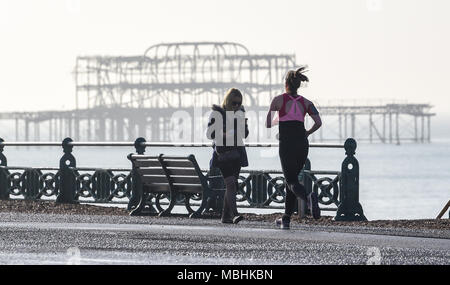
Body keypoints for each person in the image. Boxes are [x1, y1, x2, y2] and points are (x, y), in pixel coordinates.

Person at [266, 67, 322, 229]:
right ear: (298, 85)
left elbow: (268, 123)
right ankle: (286, 218)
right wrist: (307, 133)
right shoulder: (307, 103)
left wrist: (278, 118)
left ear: (286, 84)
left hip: (287, 143)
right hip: (302, 144)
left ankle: (308, 197)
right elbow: (318, 123)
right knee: (292, 181)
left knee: (290, 180)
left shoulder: (278, 100)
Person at [206, 88, 249, 224]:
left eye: (239, 103)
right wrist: (224, 133)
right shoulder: (217, 113)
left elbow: (245, 135)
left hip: (236, 154)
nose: (236, 106)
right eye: (234, 103)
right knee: (230, 183)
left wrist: (243, 125)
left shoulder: (240, 113)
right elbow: (210, 134)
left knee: (232, 186)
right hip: (222, 154)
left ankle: (225, 216)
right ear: (228, 101)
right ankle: (235, 214)